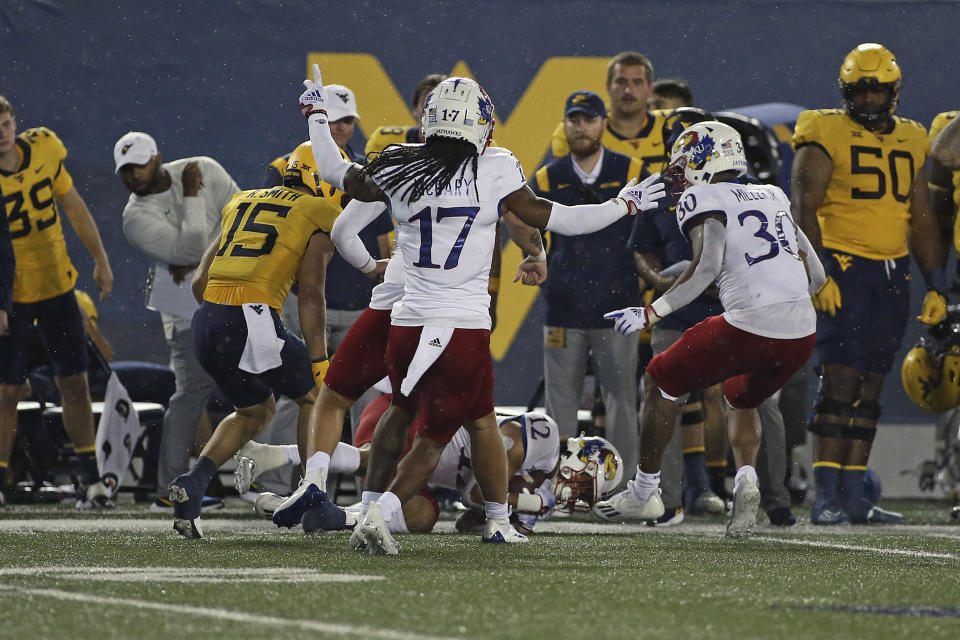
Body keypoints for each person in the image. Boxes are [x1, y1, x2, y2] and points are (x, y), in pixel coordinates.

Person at [274, 67, 665, 554]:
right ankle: (378, 512)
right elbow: (557, 218)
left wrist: (315, 115)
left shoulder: (400, 161)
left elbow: (336, 171)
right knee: (435, 437)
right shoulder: (495, 165)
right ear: (481, 125)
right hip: (462, 327)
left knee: (438, 413)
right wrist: (622, 206)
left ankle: (484, 516)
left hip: (408, 323)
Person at [594, 121, 823, 539]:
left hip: (751, 325)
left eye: (684, 163)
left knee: (660, 376)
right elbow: (818, 277)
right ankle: (745, 480)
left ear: (704, 159)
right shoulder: (772, 194)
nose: (679, 173)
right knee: (740, 395)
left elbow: (706, 267)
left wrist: (651, 313)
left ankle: (645, 490)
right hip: (801, 333)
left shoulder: (703, 196)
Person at [792, 43, 943, 525]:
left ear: (894, 92)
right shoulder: (822, 130)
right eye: (862, 89)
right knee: (839, 381)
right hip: (843, 267)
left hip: (892, 272)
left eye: (879, 90)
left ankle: (855, 494)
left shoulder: (914, 137)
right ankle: (825, 495)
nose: (871, 98)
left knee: (872, 385)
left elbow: (920, 218)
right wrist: (820, 274)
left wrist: (935, 283)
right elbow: (803, 208)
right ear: (846, 90)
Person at [166, 143, 338, 538]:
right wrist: (317, 357)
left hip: (207, 317)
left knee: (254, 412)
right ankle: (310, 499)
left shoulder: (241, 201)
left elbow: (199, 282)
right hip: (251, 315)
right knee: (315, 395)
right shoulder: (317, 210)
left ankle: (193, 482)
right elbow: (311, 291)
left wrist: (225, 322)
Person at [0, 95, 115, 508]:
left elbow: (74, 207)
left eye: (6, 123)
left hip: (56, 288)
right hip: (10, 295)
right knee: (7, 390)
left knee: (75, 383)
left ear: (16, 123)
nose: (2, 133)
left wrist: (100, 259)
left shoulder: (45, 147)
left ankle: (92, 477)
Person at [116, 131, 239, 511]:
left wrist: (199, 256)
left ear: (157, 157)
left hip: (234, 291)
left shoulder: (205, 168)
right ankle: (170, 489)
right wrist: (191, 196)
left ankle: (271, 483)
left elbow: (243, 221)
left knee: (265, 384)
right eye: (125, 171)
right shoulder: (134, 217)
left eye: (139, 165)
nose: (133, 176)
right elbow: (191, 246)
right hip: (184, 305)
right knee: (190, 393)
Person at [238, 399, 562, 535]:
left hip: (417, 466)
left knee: (422, 516)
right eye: (586, 485)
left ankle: (328, 515)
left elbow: (467, 520)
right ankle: (277, 454)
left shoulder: (534, 484)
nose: (575, 493)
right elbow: (480, 491)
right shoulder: (543, 439)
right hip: (412, 417)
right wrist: (530, 503)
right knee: (374, 457)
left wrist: (521, 508)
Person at [532, 90, 645, 478]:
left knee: (622, 403)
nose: (581, 127)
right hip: (564, 307)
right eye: (574, 119)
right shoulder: (547, 177)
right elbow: (528, 234)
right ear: (564, 123)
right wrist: (538, 259)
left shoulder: (633, 171)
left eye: (589, 119)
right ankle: (553, 485)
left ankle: (623, 485)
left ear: (603, 123)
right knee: (559, 402)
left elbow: (651, 233)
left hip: (618, 306)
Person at [550, 52, 674, 172]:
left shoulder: (674, 123)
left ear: (650, 88)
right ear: (608, 86)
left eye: (637, 82)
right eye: (621, 82)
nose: (628, 90)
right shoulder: (578, 130)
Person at [365, 73, 449, 156]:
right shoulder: (385, 141)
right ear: (415, 109)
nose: (433, 113)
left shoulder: (461, 149)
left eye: (442, 107)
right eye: (427, 104)